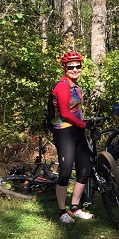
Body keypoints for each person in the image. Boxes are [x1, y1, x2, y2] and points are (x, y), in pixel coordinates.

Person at [49, 51, 93, 223]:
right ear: (64, 68)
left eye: (78, 66)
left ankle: (74, 207)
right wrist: (83, 124)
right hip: (65, 131)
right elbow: (65, 113)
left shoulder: (75, 86)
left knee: (85, 169)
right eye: (71, 67)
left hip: (77, 130)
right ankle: (61, 211)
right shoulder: (62, 86)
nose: (75, 69)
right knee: (66, 171)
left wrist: (82, 125)